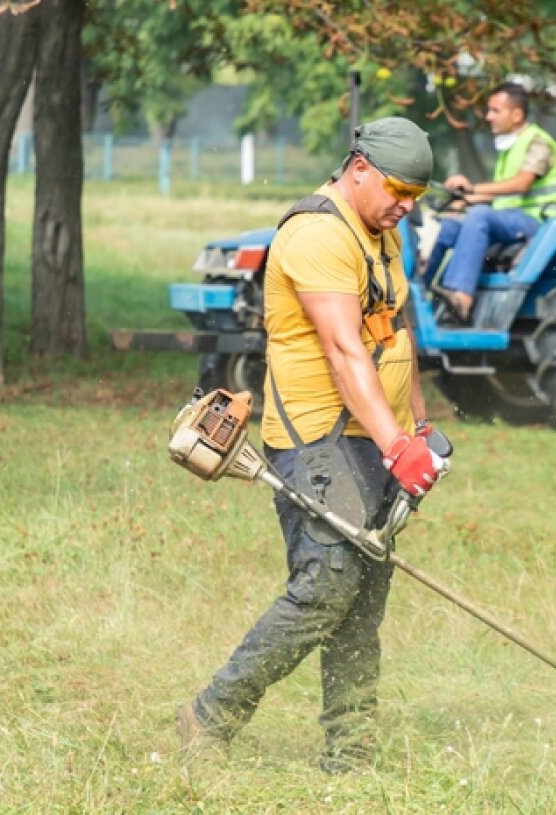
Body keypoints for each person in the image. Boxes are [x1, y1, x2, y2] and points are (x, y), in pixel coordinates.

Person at [177, 117, 447, 774]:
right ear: (358, 167)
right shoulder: (317, 233)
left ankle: (350, 756)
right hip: (315, 439)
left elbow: (395, 331)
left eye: (417, 194)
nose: (407, 205)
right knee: (328, 582)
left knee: (365, 589)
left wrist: (417, 427)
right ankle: (210, 712)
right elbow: (342, 349)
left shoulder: (383, 229)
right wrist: (396, 446)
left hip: (373, 435)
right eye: (398, 189)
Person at [427, 81, 556, 323]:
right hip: (510, 220)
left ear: (516, 115)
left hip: (538, 222)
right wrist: (464, 199)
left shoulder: (537, 142)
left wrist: (472, 190)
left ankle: (460, 297)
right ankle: (413, 296)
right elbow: (501, 195)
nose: (488, 116)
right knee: (449, 227)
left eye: (495, 111)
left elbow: (521, 184)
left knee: (479, 216)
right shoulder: (510, 148)